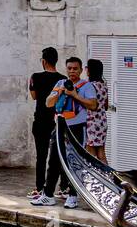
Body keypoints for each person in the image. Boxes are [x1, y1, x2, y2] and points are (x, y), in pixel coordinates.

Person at [32, 57, 98, 209]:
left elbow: (93, 105)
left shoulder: (87, 86)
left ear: (81, 70)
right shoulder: (60, 83)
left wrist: (75, 95)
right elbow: (48, 103)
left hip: (77, 128)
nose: (72, 71)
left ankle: (73, 196)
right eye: (69, 68)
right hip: (60, 126)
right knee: (53, 160)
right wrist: (58, 93)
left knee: (74, 162)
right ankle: (48, 195)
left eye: (75, 68)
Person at [27, 46, 63, 200]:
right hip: (57, 121)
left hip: (41, 120)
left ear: (43, 61)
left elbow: (34, 96)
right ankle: (63, 187)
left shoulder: (35, 77)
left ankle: (39, 187)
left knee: (41, 156)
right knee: (59, 156)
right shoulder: (63, 79)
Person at [85, 59, 110, 164]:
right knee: (101, 154)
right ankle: (109, 176)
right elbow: (106, 106)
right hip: (102, 121)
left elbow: (90, 105)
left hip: (92, 121)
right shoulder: (103, 85)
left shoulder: (90, 86)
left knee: (89, 154)